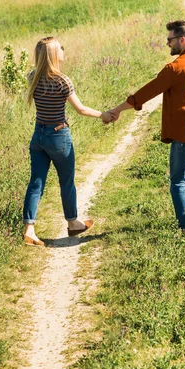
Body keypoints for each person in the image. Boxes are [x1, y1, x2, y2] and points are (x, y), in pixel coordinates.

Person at [109, 20, 185, 244]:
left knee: (178, 181)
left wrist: (118, 110)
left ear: (182, 39)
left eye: (170, 40)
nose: (168, 44)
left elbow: (145, 94)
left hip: (184, 136)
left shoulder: (175, 68)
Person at [23, 36, 113, 246]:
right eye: (60, 48)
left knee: (36, 182)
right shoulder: (63, 80)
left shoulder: (32, 76)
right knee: (67, 181)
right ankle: (73, 223)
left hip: (38, 136)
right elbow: (80, 109)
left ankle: (29, 229)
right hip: (58, 136)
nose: (63, 50)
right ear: (54, 54)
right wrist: (103, 115)